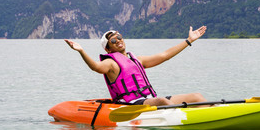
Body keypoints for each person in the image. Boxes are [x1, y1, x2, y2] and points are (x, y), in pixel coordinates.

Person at [64, 26, 208, 106]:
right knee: (163, 101)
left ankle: (219, 111)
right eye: (113, 41)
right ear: (108, 49)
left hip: (148, 99)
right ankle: (188, 119)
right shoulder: (111, 63)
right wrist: (81, 51)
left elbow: (165, 55)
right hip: (131, 103)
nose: (118, 41)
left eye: (119, 37)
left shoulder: (137, 60)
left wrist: (189, 40)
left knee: (197, 96)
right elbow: (95, 67)